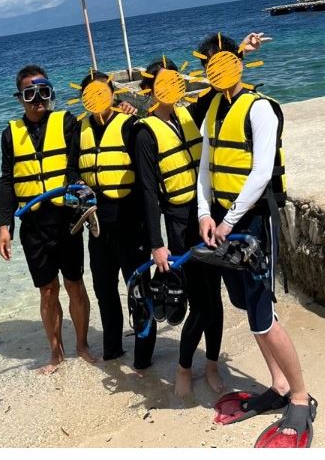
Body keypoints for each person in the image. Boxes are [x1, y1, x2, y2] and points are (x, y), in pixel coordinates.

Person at [196, 33, 317, 447]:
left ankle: (300, 397)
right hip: (223, 223)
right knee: (249, 308)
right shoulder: (213, 109)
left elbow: (262, 171)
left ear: (238, 63)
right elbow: (205, 168)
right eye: (208, 64)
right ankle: (279, 385)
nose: (215, 70)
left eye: (222, 61)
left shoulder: (260, 108)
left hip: (252, 224)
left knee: (263, 315)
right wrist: (204, 214)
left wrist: (228, 220)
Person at [132, 56, 224, 397]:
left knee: (215, 299)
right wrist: (157, 244)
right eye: (163, 82)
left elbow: (218, 85)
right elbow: (147, 192)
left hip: (207, 216)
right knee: (200, 303)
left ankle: (211, 364)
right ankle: (184, 368)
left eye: (175, 80)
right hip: (179, 225)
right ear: (151, 88)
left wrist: (239, 54)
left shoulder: (189, 114)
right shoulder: (145, 133)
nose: (171, 87)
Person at [0, 64, 96, 374]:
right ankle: (55, 353)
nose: (37, 99)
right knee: (47, 290)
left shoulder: (66, 122)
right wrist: (4, 225)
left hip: (66, 220)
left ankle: (82, 345)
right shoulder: (10, 134)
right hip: (33, 225)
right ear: (20, 98)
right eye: (30, 94)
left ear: (50, 92)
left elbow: (88, 144)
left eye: (43, 92)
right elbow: (7, 180)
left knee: (74, 284)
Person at [67, 71, 157, 372]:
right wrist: (78, 184)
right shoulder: (79, 129)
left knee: (138, 290)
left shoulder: (129, 125)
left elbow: (146, 174)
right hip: (97, 227)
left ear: (112, 94)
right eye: (90, 94)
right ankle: (113, 349)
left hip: (131, 224)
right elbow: (70, 169)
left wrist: (153, 233)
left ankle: (143, 356)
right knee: (104, 290)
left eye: (101, 92)